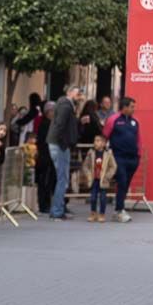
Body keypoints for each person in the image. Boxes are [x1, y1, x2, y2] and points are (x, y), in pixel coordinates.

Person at [48, 86, 83, 220]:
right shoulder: (65, 106)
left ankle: (58, 209)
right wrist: (63, 143)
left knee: (62, 179)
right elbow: (60, 125)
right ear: (69, 93)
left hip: (59, 144)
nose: (79, 96)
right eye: (78, 93)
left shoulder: (65, 105)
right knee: (62, 179)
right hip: (60, 146)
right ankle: (57, 210)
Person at [105, 97, 141, 223]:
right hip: (118, 157)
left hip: (133, 158)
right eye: (132, 106)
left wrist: (138, 156)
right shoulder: (113, 119)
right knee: (122, 181)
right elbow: (104, 136)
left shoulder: (135, 121)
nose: (133, 109)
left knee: (126, 184)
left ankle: (119, 209)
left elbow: (138, 140)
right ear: (124, 107)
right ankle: (119, 210)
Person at [82, 134, 116, 223]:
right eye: (94, 141)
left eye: (98, 141)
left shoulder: (108, 154)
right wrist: (89, 175)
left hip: (103, 180)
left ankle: (102, 214)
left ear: (104, 143)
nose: (95, 143)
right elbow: (85, 165)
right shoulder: (91, 153)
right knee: (93, 198)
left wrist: (107, 176)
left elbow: (113, 167)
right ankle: (93, 213)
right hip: (94, 180)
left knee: (103, 198)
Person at [35, 102, 57, 215]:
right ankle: (43, 204)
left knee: (50, 181)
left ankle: (48, 203)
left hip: (50, 156)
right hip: (45, 157)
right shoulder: (45, 124)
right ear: (47, 112)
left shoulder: (52, 123)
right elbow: (43, 142)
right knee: (44, 181)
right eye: (52, 111)